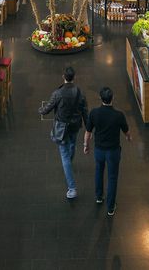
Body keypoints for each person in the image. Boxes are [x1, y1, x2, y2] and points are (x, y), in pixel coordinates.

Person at [39, 66, 88, 199]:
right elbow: (84, 110)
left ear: (63, 77)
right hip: (75, 125)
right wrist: (88, 127)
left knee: (64, 156)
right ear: (74, 77)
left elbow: (48, 107)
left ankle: (72, 188)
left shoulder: (58, 93)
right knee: (72, 143)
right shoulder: (79, 92)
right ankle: (70, 162)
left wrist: (41, 110)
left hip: (61, 128)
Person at [83, 87, 131, 216]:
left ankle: (99, 197)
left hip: (99, 149)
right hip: (113, 151)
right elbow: (126, 131)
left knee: (99, 171)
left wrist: (86, 145)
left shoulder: (94, 113)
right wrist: (128, 137)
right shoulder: (118, 115)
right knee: (112, 177)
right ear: (112, 98)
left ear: (100, 98)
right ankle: (110, 207)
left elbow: (87, 132)